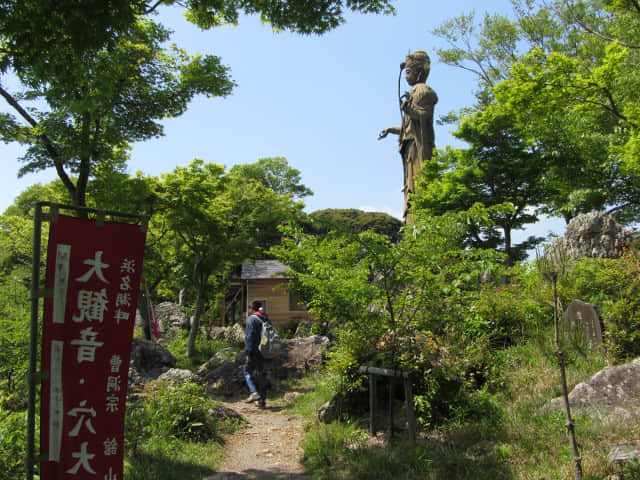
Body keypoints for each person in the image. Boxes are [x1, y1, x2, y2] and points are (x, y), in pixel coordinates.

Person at [379, 50, 438, 220]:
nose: (406, 76)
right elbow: (408, 128)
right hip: (410, 148)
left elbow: (424, 117)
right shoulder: (413, 92)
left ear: (419, 72)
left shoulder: (422, 91)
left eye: (409, 72)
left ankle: (420, 217)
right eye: (405, 72)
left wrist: (408, 109)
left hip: (419, 147)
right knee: (410, 186)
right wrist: (391, 130)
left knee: (420, 184)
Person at [243, 300, 268, 408]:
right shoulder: (265, 318)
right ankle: (262, 401)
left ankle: (253, 392)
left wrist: (248, 352)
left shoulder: (251, 319)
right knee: (262, 375)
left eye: (249, 308)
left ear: (252, 308)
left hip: (254, 351)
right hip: (265, 351)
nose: (248, 310)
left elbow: (249, 337)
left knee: (247, 371)